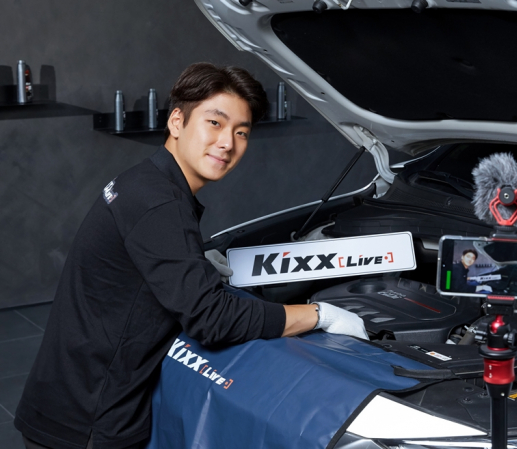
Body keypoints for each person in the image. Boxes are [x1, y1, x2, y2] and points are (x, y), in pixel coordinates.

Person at [14, 62, 367, 449]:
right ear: (177, 121)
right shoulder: (158, 202)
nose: (228, 142)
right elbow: (211, 319)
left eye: (241, 132)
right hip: (86, 424)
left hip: (71, 400)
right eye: (215, 123)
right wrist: (320, 315)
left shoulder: (145, 181)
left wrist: (193, 262)